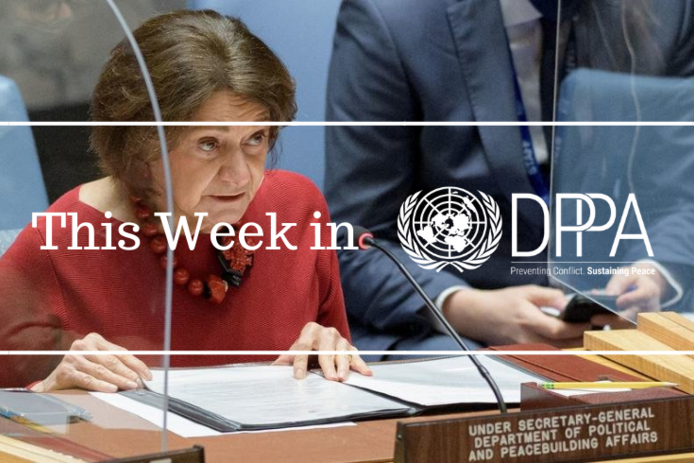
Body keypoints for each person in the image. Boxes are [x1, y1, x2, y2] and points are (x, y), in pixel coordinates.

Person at [0, 10, 371, 391]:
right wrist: (49, 391)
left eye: (255, 139)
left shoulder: (296, 209)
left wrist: (331, 355)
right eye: (209, 144)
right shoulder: (61, 241)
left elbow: (346, 396)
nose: (240, 176)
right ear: (142, 145)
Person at [325, 0, 694, 356]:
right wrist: (465, 307)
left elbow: (679, 195)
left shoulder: (668, 9)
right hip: (455, 331)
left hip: (612, 325)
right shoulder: (391, 18)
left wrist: (653, 271)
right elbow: (353, 240)